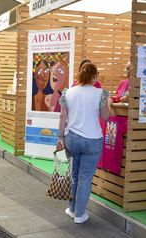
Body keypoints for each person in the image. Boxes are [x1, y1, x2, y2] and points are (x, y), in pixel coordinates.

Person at [56, 62, 111, 224]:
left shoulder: (68, 92)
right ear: (94, 76)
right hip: (92, 140)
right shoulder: (101, 94)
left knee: (74, 175)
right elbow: (106, 116)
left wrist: (60, 137)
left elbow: (62, 117)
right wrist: (105, 103)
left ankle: (72, 209)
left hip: (71, 139)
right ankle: (80, 215)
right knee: (85, 178)